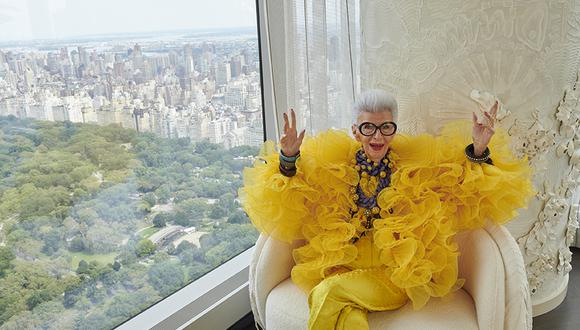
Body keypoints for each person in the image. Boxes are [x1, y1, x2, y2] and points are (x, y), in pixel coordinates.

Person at [239, 89, 535, 329]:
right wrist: (289, 157)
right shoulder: (336, 163)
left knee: (327, 292)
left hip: (393, 275)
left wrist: (479, 149)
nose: (377, 137)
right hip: (343, 266)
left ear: (394, 130)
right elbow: (294, 192)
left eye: (385, 128)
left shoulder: (415, 164)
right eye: (368, 127)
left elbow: (461, 185)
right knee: (349, 317)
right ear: (356, 130)